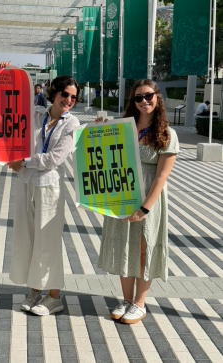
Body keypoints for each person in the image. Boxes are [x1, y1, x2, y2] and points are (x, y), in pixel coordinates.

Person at [0, 63, 80, 315]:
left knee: (48, 240)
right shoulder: (35, 114)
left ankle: (53, 296)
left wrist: (22, 162)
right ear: (53, 93)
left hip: (49, 188)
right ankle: (34, 289)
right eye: (64, 94)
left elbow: (55, 158)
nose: (68, 100)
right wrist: (7, 75)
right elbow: (7, 107)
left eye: (73, 97)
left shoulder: (71, 124)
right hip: (25, 184)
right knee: (27, 238)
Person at [98, 79, 179, 324]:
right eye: (138, 98)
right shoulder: (123, 127)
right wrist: (97, 128)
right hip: (122, 194)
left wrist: (145, 208)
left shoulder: (166, 133)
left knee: (144, 249)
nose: (144, 101)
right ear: (132, 102)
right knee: (124, 245)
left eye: (148, 96)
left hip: (148, 199)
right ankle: (125, 299)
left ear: (157, 98)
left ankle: (139, 303)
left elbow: (161, 176)